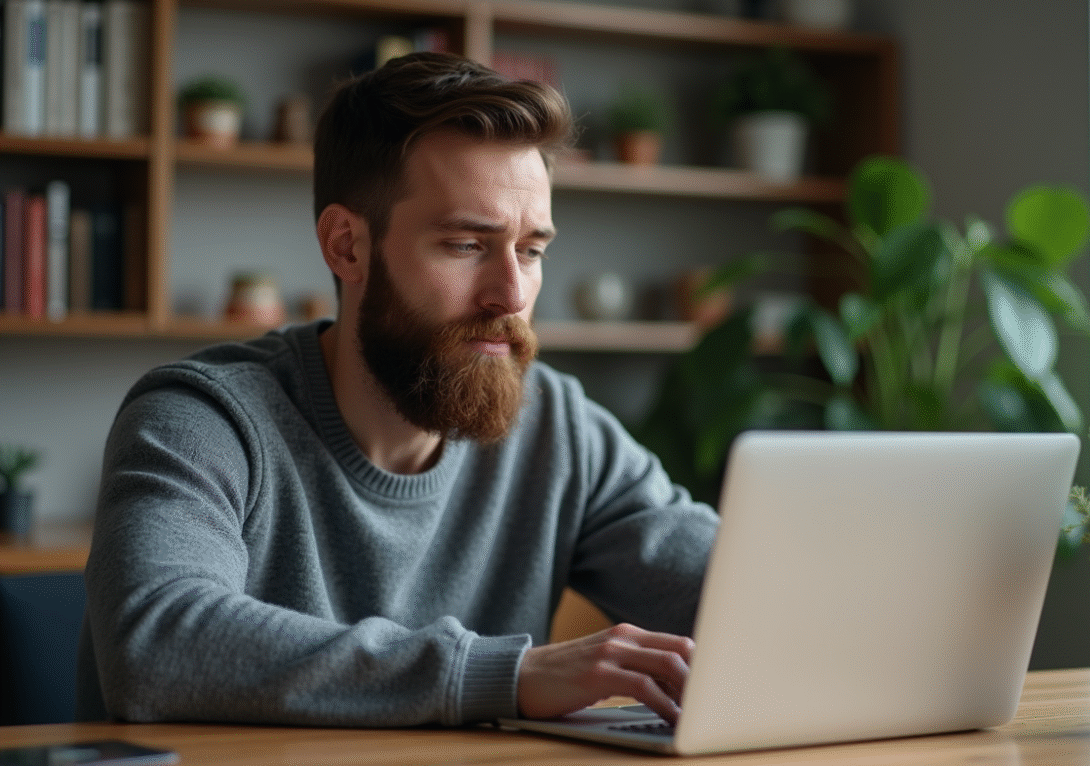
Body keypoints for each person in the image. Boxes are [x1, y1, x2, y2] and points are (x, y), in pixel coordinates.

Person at [77, 52, 719, 728]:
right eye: (468, 245)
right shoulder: (202, 419)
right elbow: (152, 644)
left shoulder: (558, 428)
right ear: (347, 246)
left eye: (531, 251)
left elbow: (743, 598)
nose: (512, 293)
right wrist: (500, 675)